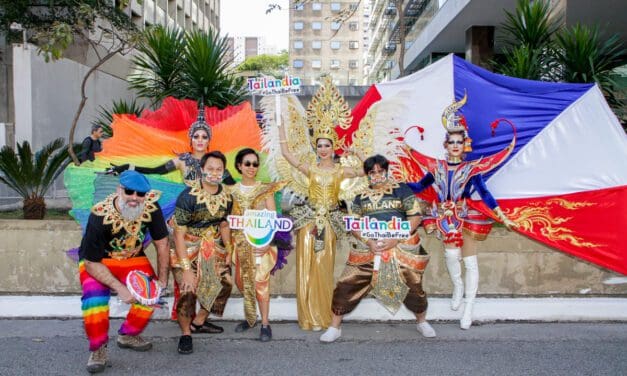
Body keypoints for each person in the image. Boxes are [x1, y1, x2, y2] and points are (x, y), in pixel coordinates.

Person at [407, 95, 517, 330]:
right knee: (451, 258)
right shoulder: (435, 168)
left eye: (459, 142)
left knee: (470, 262)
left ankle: (468, 307)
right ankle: (457, 286)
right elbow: (418, 187)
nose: (455, 145)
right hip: (444, 218)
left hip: (466, 217)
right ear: (445, 145)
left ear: (464, 144)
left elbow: (485, 194)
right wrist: (393, 183)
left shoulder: (471, 169)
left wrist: (502, 215)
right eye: (451, 142)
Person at [320, 155, 436, 342]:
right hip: (368, 249)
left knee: (414, 287)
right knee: (345, 284)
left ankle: (422, 321)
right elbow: (355, 225)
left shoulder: (402, 189)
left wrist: (395, 239)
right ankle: (335, 327)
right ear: (367, 175)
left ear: (386, 170)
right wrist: (369, 242)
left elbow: (415, 217)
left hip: (399, 247)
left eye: (380, 171)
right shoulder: (360, 197)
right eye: (372, 172)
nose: (376, 175)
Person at [277, 119, 365, 331]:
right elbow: (287, 155)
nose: (323, 149)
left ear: (333, 147)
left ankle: (323, 315)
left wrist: (355, 151)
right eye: (319, 145)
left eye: (327, 145)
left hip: (330, 223)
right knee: (306, 266)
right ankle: (308, 317)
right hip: (309, 222)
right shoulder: (311, 169)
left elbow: (366, 170)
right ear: (315, 148)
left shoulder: (340, 171)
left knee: (324, 267)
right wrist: (281, 128)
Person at [78, 170, 170, 373]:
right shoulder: (99, 215)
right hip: (98, 261)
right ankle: (98, 348)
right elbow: (91, 262)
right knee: (94, 302)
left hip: (133, 258)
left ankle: (128, 334)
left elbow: (162, 244)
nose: (135, 198)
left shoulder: (151, 207)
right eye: (130, 192)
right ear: (119, 189)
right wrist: (120, 288)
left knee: (152, 295)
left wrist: (162, 280)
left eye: (141, 194)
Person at [171, 151, 234, 354]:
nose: (214, 173)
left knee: (225, 283)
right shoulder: (188, 196)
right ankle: (185, 334)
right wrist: (187, 269)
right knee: (188, 290)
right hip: (187, 249)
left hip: (213, 248)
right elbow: (178, 234)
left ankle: (198, 321)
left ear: (223, 172)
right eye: (210, 169)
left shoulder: (227, 196)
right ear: (202, 170)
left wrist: (229, 249)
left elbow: (224, 224)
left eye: (219, 169)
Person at [228, 148, 286, 342]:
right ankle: (251, 317)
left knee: (261, 283)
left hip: (261, 245)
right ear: (239, 166)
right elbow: (228, 221)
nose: (252, 167)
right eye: (247, 164)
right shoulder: (232, 191)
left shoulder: (265, 190)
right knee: (241, 282)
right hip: (240, 245)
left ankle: (265, 324)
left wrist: (267, 243)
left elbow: (272, 218)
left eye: (255, 164)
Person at [107, 102, 235, 185]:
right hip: (187, 208)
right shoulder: (182, 160)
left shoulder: (216, 162)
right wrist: (125, 167)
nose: (200, 140)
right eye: (196, 137)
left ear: (209, 141)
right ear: (191, 140)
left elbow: (233, 187)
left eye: (204, 137)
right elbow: (154, 171)